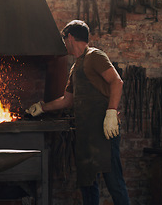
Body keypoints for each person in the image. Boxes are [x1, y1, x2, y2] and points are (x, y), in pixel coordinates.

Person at [26, 20, 129, 205]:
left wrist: (111, 112)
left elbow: (117, 82)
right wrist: (42, 107)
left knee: (114, 182)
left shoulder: (95, 56)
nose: (64, 44)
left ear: (70, 37)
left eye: (64, 40)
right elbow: (67, 100)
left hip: (105, 130)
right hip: (86, 134)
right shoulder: (76, 67)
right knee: (88, 185)